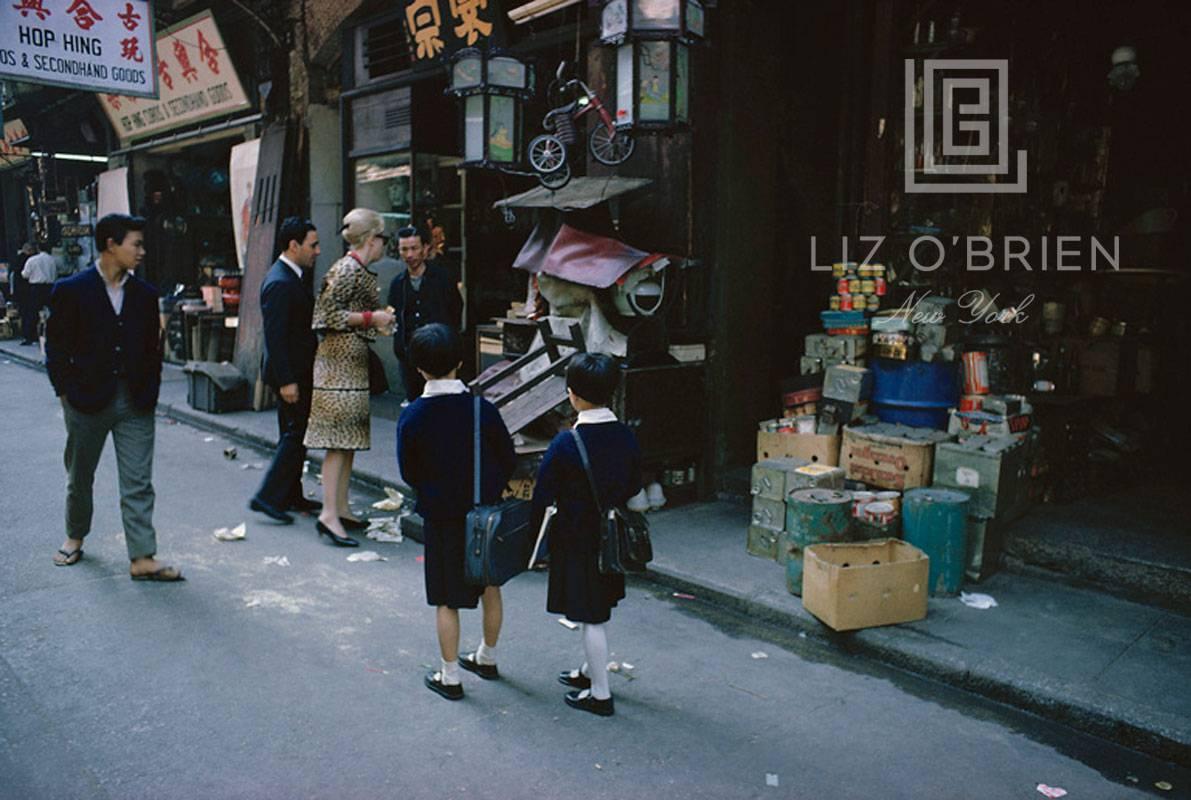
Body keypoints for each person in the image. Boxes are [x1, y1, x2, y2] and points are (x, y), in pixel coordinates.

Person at [45, 214, 182, 581]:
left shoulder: (145, 295)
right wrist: (64, 392)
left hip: (135, 400)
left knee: (138, 480)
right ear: (110, 245)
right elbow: (55, 348)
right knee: (80, 475)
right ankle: (75, 536)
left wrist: (150, 390)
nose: (141, 251)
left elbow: (153, 348)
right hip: (86, 399)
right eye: (135, 244)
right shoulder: (71, 290)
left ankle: (141, 557)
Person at [396, 323, 516, 700]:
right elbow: (507, 457)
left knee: (447, 598)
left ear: (418, 368)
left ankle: (449, 675)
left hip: (441, 517)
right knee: (489, 585)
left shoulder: (413, 416)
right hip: (484, 514)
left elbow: (409, 472)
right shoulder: (483, 410)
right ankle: (487, 656)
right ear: (462, 362)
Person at [530, 353, 641, 717]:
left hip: (576, 540)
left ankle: (600, 693)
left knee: (590, 616)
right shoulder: (626, 436)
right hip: (612, 537)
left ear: (572, 394)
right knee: (595, 608)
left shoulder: (565, 444)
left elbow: (543, 493)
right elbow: (634, 486)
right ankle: (586, 670)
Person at [304, 208, 394, 547]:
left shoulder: (355, 268)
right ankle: (329, 514)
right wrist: (373, 318)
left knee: (348, 441)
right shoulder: (346, 269)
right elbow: (325, 315)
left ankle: (339, 507)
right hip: (337, 365)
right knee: (339, 442)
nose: (385, 244)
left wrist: (376, 321)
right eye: (383, 238)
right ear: (372, 238)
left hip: (347, 362)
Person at [249, 217, 323, 525]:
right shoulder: (280, 281)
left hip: (295, 371)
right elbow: (275, 337)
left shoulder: (291, 276)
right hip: (290, 374)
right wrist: (288, 380)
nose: (317, 251)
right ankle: (267, 496)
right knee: (296, 435)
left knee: (292, 433)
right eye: (313, 244)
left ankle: (291, 494)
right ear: (294, 245)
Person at [387, 225, 462, 403]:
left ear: (425, 248)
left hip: (440, 353)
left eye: (414, 248)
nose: (409, 255)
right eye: (404, 249)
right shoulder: (398, 283)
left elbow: (456, 309)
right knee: (415, 403)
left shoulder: (443, 278)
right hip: (410, 357)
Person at [20, 241, 57, 345]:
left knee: (32, 311)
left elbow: (25, 274)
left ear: (38, 248)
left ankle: (30, 337)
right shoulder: (52, 259)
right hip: (50, 286)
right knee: (51, 311)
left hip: (36, 287)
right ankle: (54, 334)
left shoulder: (32, 260)